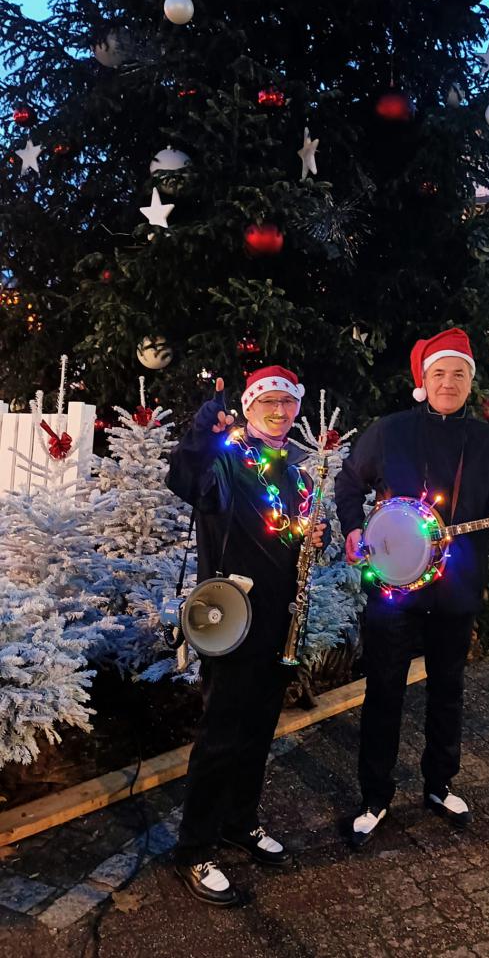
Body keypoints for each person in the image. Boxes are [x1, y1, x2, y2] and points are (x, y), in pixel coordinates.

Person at [335, 328, 489, 848]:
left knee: (448, 688)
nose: (449, 382)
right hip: (394, 586)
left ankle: (440, 784)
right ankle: (375, 796)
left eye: (459, 374)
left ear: (470, 381)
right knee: (385, 691)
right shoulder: (391, 430)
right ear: (423, 380)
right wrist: (354, 528)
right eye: (439, 373)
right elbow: (349, 483)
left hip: (458, 584)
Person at [167, 365, 325, 906]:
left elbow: (293, 539)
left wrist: (314, 539)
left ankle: (240, 822)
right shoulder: (229, 462)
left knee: (258, 730)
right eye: (268, 402)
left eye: (287, 403)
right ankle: (194, 849)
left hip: (278, 624)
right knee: (221, 734)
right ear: (250, 407)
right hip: (231, 620)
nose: (278, 411)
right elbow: (185, 480)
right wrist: (204, 430)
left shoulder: (299, 476)